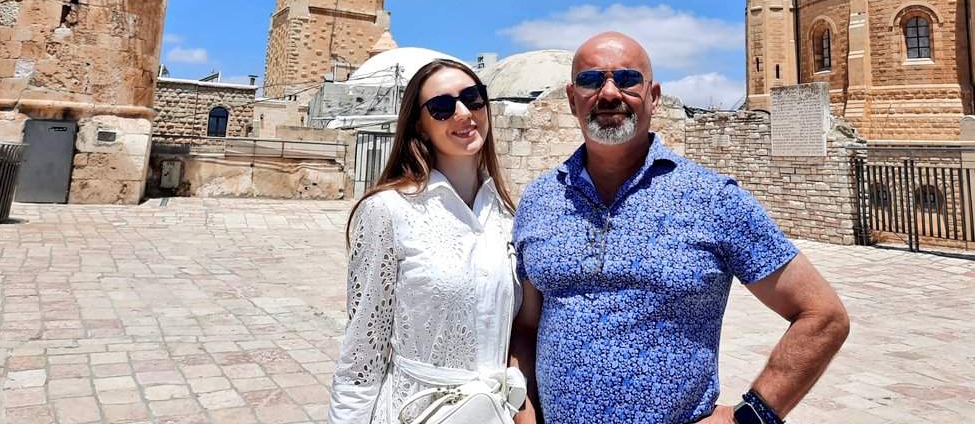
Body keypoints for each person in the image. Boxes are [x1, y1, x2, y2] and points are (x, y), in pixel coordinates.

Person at [511, 32, 849, 424]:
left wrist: (751, 416)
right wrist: (525, 409)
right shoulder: (539, 200)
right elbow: (528, 325)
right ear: (572, 99)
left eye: (626, 79)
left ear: (653, 96)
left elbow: (823, 315)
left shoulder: (712, 198)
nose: (608, 93)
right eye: (591, 81)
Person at [328, 59, 524, 423]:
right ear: (419, 124)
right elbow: (361, 353)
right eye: (442, 107)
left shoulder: (508, 215)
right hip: (416, 411)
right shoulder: (387, 210)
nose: (463, 113)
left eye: (473, 99)